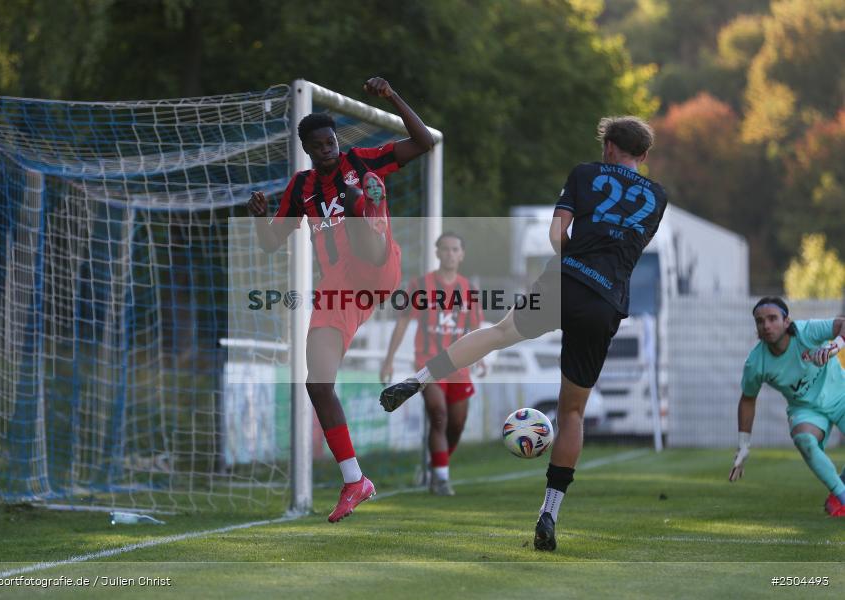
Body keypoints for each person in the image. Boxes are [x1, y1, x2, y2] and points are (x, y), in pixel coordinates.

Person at [379, 116, 667, 551]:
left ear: (607, 146)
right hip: (606, 302)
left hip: (563, 282)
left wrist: (574, 261)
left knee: (498, 332)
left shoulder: (585, 173)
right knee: (571, 413)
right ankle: (548, 511)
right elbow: (626, 251)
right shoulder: (657, 196)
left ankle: (417, 379)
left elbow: (556, 235)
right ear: (643, 156)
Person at [249, 77, 434, 522]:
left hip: (377, 262)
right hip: (340, 286)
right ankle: (355, 479)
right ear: (310, 149)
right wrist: (259, 220)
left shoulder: (361, 159)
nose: (327, 147)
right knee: (317, 382)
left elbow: (423, 142)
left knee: (357, 195)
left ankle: (364, 207)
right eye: (318, 144)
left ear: (337, 140)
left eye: (330, 140)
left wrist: (391, 96)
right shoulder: (301, 187)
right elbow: (272, 243)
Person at [379, 232, 486, 496]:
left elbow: (476, 329)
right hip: (428, 365)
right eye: (445, 249)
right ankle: (440, 479)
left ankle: (437, 464)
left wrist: (481, 357)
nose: (450, 254)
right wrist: (389, 359)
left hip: (460, 368)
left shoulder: (469, 289)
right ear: (437, 253)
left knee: (456, 426)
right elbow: (403, 322)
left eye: (455, 249)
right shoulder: (419, 285)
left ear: (461, 255)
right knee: (438, 415)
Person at [730, 297, 845, 517]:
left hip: (840, 393)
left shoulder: (806, 332)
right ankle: (842, 497)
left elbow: (842, 324)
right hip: (806, 409)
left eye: (772, 318)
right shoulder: (756, 363)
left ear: (786, 321)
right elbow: (747, 399)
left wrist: (835, 345)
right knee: (804, 440)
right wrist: (743, 445)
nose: (766, 325)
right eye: (760, 321)